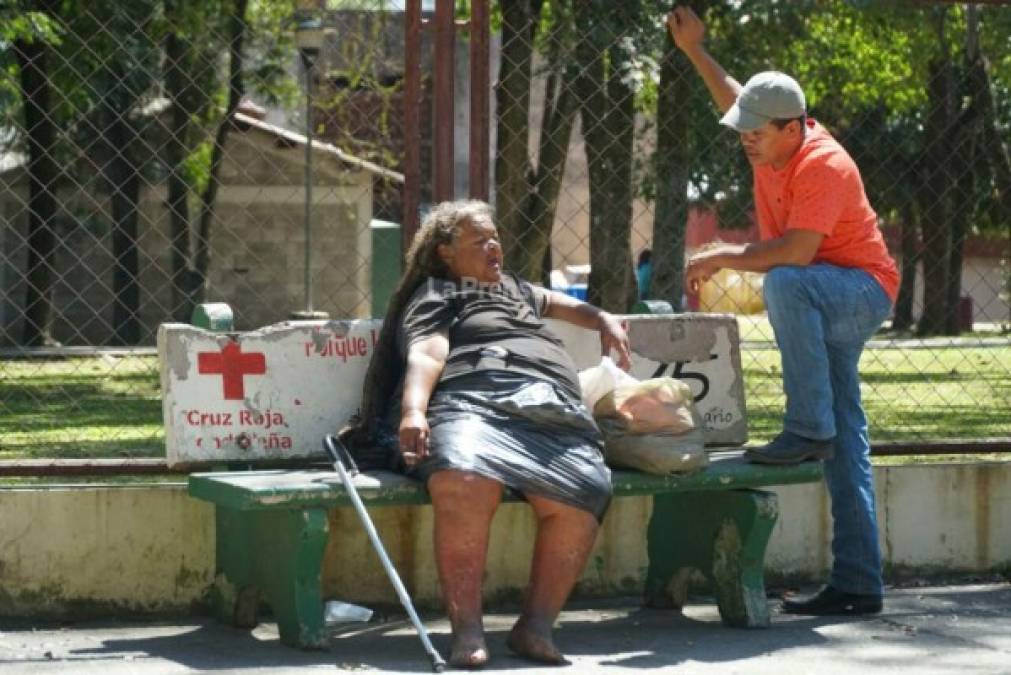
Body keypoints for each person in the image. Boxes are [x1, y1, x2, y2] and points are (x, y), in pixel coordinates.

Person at [667, 6, 899, 616]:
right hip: (829, 293)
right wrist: (695, 48)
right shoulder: (769, 131)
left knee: (787, 283)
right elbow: (737, 95)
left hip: (860, 291)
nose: (746, 140)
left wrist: (722, 254)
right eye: (745, 130)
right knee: (847, 439)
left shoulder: (823, 163)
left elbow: (797, 253)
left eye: (757, 133)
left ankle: (807, 427)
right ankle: (858, 582)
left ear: (793, 128)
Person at [342, 200, 631, 667]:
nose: (494, 246)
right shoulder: (438, 293)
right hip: (475, 400)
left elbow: (560, 302)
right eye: (479, 240)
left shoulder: (513, 287)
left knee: (586, 489)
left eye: (495, 237)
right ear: (445, 254)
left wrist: (602, 319)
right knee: (462, 477)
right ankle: (468, 631)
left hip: (551, 407)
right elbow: (428, 353)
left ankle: (534, 629)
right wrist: (414, 411)